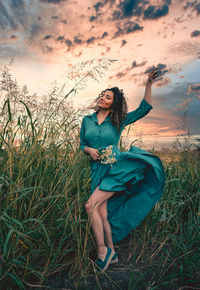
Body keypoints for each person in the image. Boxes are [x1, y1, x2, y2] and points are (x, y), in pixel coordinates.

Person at [79, 67, 165, 272]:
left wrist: (148, 84)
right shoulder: (87, 120)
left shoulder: (118, 120)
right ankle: (113, 253)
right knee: (101, 211)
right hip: (96, 170)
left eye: (107, 97)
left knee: (90, 206)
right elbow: (82, 143)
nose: (102, 98)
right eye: (102, 95)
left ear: (113, 102)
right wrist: (88, 149)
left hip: (116, 169)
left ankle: (102, 252)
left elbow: (144, 109)